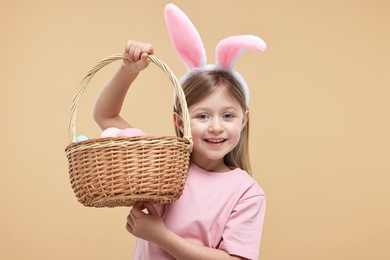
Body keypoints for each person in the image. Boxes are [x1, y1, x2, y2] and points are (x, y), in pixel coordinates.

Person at [93, 40, 266, 260]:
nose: (216, 127)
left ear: (244, 120)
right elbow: (105, 115)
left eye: (228, 116)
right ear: (180, 121)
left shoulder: (246, 192)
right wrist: (128, 69)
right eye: (202, 116)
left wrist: (160, 236)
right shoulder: (159, 163)